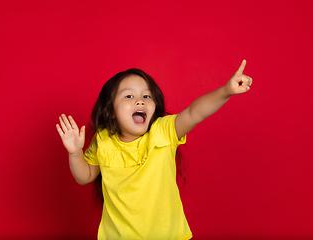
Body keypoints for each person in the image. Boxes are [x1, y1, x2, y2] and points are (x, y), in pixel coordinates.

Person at [56, 60, 252, 240]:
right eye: (129, 95)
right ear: (111, 111)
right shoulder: (103, 140)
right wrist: (75, 153)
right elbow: (85, 176)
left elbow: (194, 113)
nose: (140, 100)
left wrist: (226, 90)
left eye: (146, 95)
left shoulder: (163, 131)